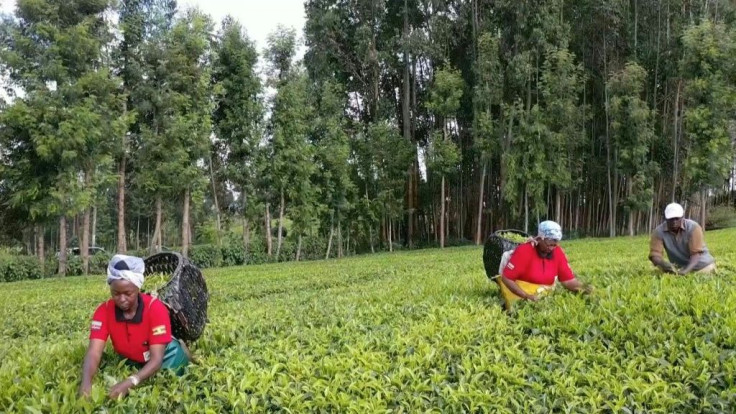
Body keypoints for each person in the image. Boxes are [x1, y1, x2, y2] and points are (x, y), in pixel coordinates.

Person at [79, 255, 190, 399]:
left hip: (167, 358)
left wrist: (131, 381)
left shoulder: (155, 308)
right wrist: (86, 383)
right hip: (135, 360)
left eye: (128, 293)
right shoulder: (104, 311)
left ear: (137, 289)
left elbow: (156, 359)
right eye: (116, 293)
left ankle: (185, 352)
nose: (122, 299)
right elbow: (94, 351)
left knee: (164, 390)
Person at [499, 221, 592, 311]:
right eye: (549, 245)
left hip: (541, 297)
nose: (551, 248)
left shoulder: (557, 252)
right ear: (540, 239)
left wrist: (584, 288)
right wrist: (526, 296)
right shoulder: (525, 251)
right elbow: (507, 278)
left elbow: (568, 281)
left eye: (554, 245)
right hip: (520, 295)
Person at [649, 202, 716, 275]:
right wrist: (662, 263)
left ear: (682, 217)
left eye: (677, 219)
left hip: (701, 264)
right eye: (671, 219)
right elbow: (655, 255)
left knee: (704, 273)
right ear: (666, 218)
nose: (674, 222)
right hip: (678, 267)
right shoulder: (658, 232)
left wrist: (686, 271)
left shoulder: (693, 227)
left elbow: (696, 254)